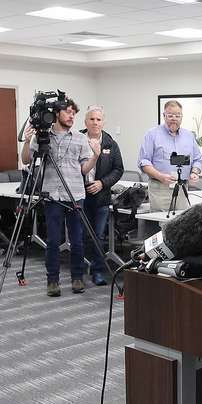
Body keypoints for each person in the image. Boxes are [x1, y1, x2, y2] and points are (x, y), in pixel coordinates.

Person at [21, 97, 99, 296]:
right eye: (68, 112)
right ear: (56, 114)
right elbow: (26, 160)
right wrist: (27, 140)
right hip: (52, 194)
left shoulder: (80, 138)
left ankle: (77, 278)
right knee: (53, 240)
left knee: (77, 240)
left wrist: (95, 156)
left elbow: (84, 169)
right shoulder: (43, 136)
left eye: (74, 113)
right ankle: (52, 281)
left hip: (75, 194)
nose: (72, 116)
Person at [80, 105, 124, 286]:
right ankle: (79, 272)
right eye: (92, 119)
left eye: (98, 119)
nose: (95, 122)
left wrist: (102, 183)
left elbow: (118, 169)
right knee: (81, 235)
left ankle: (97, 271)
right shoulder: (77, 140)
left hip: (101, 197)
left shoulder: (110, 143)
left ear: (103, 122)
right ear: (85, 121)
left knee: (98, 235)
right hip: (80, 195)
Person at [138, 100, 202, 214]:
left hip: (182, 188)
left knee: (182, 224)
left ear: (181, 117)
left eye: (177, 116)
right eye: (170, 115)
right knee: (164, 225)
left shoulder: (189, 136)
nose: (174, 118)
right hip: (160, 189)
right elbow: (143, 162)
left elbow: (197, 159)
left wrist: (194, 172)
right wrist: (160, 176)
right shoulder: (152, 134)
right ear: (164, 116)